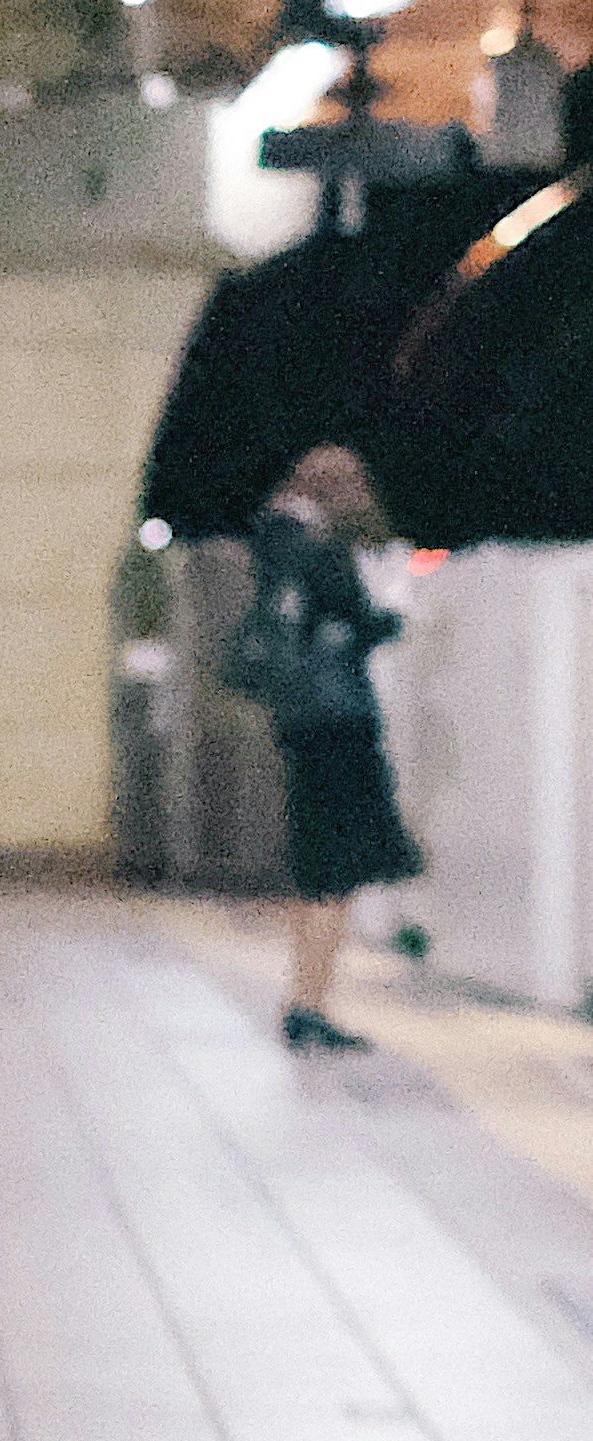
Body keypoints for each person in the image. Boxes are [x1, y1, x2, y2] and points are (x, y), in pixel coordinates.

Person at [247, 440, 423, 1052]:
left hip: (304, 721)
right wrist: (394, 613)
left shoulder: (275, 537)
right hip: (336, 721)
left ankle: (307, 998)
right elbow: (361, 618)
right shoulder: (312, 545)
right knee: (333, 868)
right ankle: (310, 1002)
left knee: (320, 866)